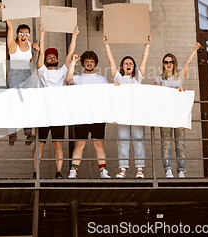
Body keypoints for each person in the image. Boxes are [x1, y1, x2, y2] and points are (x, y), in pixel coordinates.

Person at [32, 24, 79, 179]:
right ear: (45, 60)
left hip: (58, 114)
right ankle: (35, 172)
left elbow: (71, 53)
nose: (52, 57)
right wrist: (43, 34)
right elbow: (40, 54)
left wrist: (74, 35)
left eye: (54, 56)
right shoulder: (42, 71)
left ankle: (58, 172)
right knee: (39, 143)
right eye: (49, 56)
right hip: (43, 113)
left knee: (58, 143)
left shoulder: (62, 72)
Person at [103, 34, 152, 179]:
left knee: (138, 140)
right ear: (122, 67)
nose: (128, 65)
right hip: (122, 115)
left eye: (130, 63)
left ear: (133, 66)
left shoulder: (138, 78)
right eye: (126, 63)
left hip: (136, 115)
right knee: (122, 141)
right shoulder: (117, 78)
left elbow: (144, 60)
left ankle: (139, 170)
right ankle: (123, 169)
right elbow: (111, 60)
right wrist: (107, 45)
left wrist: (147, 44)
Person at [154, 42, 202, 178]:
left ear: (174, 63)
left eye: (171, 62)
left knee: (180, 144)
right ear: (163, 64)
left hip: (179, 113)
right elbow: (159, 94)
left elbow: (188, 63)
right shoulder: (158, 79)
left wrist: (194, 49)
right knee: (166, 143)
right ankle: (168, 169)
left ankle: (181, 170)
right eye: (166, 62)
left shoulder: (179, 76)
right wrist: (174, 90)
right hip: (165, 115)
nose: (169, 64)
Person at [66, 51, 111, 179]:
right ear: (83, 63)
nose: (89, 64)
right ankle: (73, 171)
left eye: (91, 61)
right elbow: (68, 79)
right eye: (87, 61)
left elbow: (107, 97)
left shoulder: (102, 80)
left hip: (97, 116)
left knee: (99, 144)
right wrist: (73, 62)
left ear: (95, 63)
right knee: (79, 144)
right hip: (81, 116)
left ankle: (103, 171)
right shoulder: (78, 78)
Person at [6, 20, 37, 146]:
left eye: (27, 34)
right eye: (21, 34)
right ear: (17, 34)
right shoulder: (13, 45)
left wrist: (37, 47)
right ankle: (12, 132)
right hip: (15, 74)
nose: (24, 36)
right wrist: (8, 20)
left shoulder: (29, 44)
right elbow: (10, 29)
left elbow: (30, 57)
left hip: (27, 74)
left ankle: (28, 131)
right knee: (14, 102)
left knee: (28, 103)